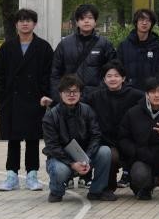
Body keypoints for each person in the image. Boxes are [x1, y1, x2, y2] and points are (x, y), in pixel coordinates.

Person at [0, 8, 54, 192]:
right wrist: (2, 96)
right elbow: (0, 75)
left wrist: (45, 95)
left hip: (35, 100)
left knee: (33, 139)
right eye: (21, 20)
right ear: (16, 24)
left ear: (34, 24)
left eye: (28, 20)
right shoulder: (7, 47)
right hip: (12, 100)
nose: (25, 23)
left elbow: (49, 75)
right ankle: (11, 175)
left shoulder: (43, 47)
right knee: (13, 140)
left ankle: (32, 175)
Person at [42, 74, 116, 202]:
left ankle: (97, 191)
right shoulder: (51, 116)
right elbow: (52, 146)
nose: (71, 95)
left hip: (85, 156)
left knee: (105, 151)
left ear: (80, 93)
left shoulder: (87, 110)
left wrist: (86, 158)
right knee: (59, 170)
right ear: (60, 93)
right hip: (61, 158)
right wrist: (72, 163)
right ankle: (56, 191)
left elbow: (96, 135)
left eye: (75, 91)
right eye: (67, 91)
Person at [85, 60, 143, 192]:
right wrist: (53, 103)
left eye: (116, 76)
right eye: (109, 76)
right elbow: (76, 102)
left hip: (130, 141)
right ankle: (108, 186)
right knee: (109, 155)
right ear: (104, 79)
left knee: (139, 185)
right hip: (108, 143)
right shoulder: (96, 96)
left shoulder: (134, 94)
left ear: (123, 78)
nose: (113, 79)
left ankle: (150, 180)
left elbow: (154, 98)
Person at [50, 4, 117, 101]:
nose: (86, 21)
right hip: (70, 96)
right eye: (82, 18)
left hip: (97, 98)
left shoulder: (105, 44)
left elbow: (113, 71)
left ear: (95, 22)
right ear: (77, 22)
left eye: (90, 18)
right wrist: (58, 97)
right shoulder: (64, 44)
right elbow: (55, 73)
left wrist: (102, 91)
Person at [117, 8, 159, 91]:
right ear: (136, 22)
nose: (144, 23)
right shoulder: (124, 46)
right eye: (141, 20)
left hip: (151, 92)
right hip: (129, 91)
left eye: (148, 20)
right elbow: (118, 70)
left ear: (152, 24)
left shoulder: (157, 47)